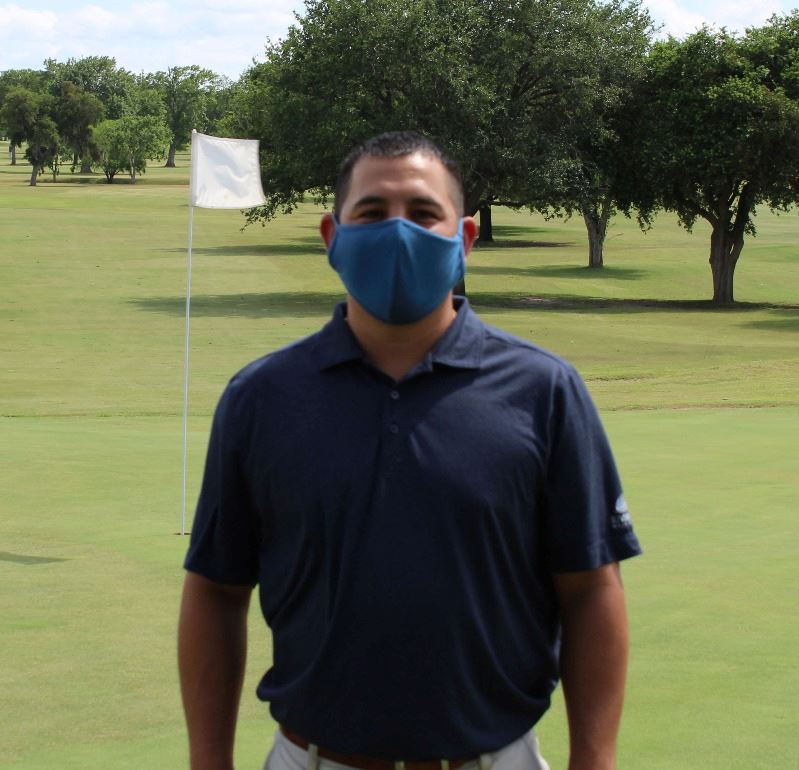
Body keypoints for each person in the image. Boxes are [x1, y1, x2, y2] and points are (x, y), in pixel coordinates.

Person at [178, 130, 642, 770]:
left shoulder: (544, 391)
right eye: (371, 213)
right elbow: (215, 590)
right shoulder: (261, 397)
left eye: (424, 213)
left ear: (465, 238)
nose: (399, 231)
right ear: (331, 237)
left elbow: (592, 588)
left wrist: (594, 761)